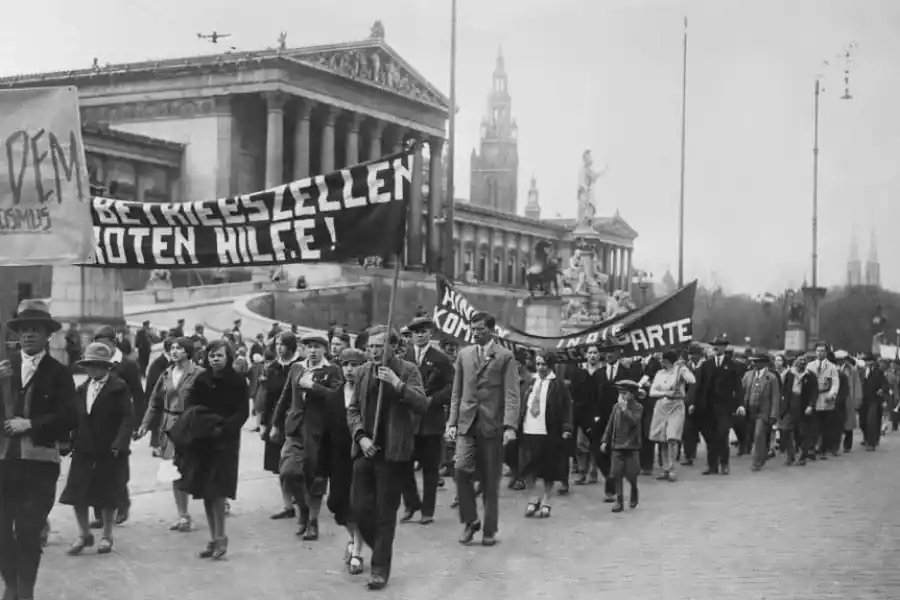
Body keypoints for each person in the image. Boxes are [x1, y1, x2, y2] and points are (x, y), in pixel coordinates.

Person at [0, 300, 77, 600]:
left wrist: (30, 424)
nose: (29, 334)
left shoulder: (59, 373)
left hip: (40, 465)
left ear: (47, 335)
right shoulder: (5, 368)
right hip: (5, 463)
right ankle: (11, 583)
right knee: (1, 531)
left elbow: (69, 417)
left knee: (29, 530)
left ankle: (25, 590)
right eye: (24, 329)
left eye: (36, 329)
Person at [346, 325, 427, 590]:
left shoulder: (408, 370)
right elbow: (353, 410)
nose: (373, 351)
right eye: (370, 346)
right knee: (359, 509)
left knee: (385, 514)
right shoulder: (362, 372)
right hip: (365, 451)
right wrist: (361, 436)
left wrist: (397, 384)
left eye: (379, 346)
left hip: (393, 454)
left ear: (393, 347)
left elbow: (421, 403)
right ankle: (378, 547)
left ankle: (380, 568)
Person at [446, 311, 520, 547]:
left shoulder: (505, 356)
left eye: (480, 329)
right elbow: (456, 392)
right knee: (460, 470)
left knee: (490, 480)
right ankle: (470, 520)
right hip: (467, 423)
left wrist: (510, 426)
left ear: (492, 331)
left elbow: (512, 394)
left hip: (492, 425)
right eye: (473, 329)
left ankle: (489, 530)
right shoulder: (464, 354)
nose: (475, 333)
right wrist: (452, 423)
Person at [171, 340, 249, 559]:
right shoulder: (202, 379)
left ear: (228, 357)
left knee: (217, 491)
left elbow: (242, 413)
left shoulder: (237, 381)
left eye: (219, 355)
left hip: (225, 443)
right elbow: (191, 406)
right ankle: (214, 538)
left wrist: (223, 428)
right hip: (202, 441)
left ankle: (221, 537)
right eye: (212, 355)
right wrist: (203, 424)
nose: (215, 359)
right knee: (206, 492)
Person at [60, 342, 133, 556]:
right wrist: (68, 440)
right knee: (77, 493)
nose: (93, 369)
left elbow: (127, 417)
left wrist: (120, 442)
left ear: (107, 367)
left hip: (108, 449)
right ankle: (84, 534)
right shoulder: (82, 389)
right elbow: (75, 418)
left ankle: (107, 535)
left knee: (107, 495)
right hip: (84, 448)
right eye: (89, 365)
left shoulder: (118, 388)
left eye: (98, 365)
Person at [271, 335, 342, 540]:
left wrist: (313, 386)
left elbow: (337, 398)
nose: (312, 351)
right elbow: (285, 396)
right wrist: (275, 424)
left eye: (317, 347)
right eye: (309, 347)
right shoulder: (297, 368)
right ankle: (302, 508)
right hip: (295, 429)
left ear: (324, 350)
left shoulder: (332, 370)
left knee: (316, 478)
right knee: (288, 472)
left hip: (320, 432)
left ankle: (312, 521)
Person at [136, 337, 201, 531]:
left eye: (179, 348)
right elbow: (154, 402)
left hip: (190, 426)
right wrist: (145, 424)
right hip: (169, 427)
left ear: (188, 351)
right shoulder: (166, 374)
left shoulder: (199, 374)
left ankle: (218, 500)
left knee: (196, 469)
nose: (175, 351)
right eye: (172, 348)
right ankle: (183, 515)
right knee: (174, 472)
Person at [400, 312, 454, 525]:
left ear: (430, 333)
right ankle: (412, 503)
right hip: (409, 421)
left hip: (431, 421)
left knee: (430, 469)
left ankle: (427, 511)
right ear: (411, 335)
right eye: (416, 332)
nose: (420, 335)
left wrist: (434, 399)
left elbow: (452, 386)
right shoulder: (405, 358)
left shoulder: (440, 359)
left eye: (423, 332)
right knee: (403, 464)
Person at [90, 325, 146, 527]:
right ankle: (100, 514)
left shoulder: (127, 365)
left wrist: (138, 423)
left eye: (104, 343)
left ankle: (122, 504)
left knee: (117, 466)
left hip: (122, 422)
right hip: (99, 423)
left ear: (114, 343)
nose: (101, 347)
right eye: (97, 343)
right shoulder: (95, 361)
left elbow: (138, 394)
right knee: (96, 467)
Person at [325, 348, 367, 575]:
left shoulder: (369, 395)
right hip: (339, 459)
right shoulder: (333, 396)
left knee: (357, 506)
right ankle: (352, 538)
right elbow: (326, 432)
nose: (350, 369)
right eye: (346, 365)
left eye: (355, 365)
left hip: (362, 458)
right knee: (336, 504)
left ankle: (357, 551)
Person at [519, 350, 573, 519]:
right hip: (529, 428)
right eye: (538, 364)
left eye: (544, 364)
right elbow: (521, 403)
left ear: (550, 365)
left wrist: (566, 427)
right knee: (527, 467)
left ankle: (546, 500)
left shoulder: (558, 385)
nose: (540, 367)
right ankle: (533, 498)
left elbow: (567, 407)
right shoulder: (530, 382)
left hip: (548, 431)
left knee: (548, 468)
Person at [259, 333, 301, 520]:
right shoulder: (273, 368)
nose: (279, 348)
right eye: (277, 344)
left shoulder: (300, 366)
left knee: (296, 464)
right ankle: (288, 505)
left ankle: (301, 498)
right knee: (279, 465)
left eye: (283, 344)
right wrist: (264, 423)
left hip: (296, 420)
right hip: (276, 421)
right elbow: (267, 398)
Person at [696, 336, 743, 475]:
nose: (716, 348)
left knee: (723, 434)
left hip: (725, 406)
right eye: (715, 345)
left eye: (720, 345)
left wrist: (740, 404)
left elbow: (738, 387)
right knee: (710, 437)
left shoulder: (732, 365)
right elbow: (700, 386)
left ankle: (724, 463)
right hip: (708, 406)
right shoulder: (706, 365)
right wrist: (696, 403)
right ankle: (712, 465)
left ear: (724, 347)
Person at [648, 350, 695, 480]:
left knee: (672, 438)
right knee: (662, 440)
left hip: (676, 406)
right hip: (662, 406)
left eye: (663, 360)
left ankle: (672, 468)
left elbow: (692, 380)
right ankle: (665, 468)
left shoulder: (679, 371)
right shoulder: (659, 373)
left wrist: (683, 368)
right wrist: (665, 393)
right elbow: (652, 392)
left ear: (669, 361)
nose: (661, 363)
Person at [600, 380, 644, 513]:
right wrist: (605, 441)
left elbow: (634, 422)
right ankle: (619, 500)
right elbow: (610, 425)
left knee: (631, 474)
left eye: (625, 393)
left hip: (631, 446)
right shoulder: (616, 407)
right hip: (617, 445)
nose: (622, 396)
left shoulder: (638, 407)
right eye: (620, 393)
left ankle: (634, 489)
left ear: (632, 394)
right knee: (616, 473)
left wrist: (625, 409)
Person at [739, 353, 780, 471]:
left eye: (757, 361)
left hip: (763, 412)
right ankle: (763, 454)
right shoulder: (748, 375)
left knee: (758, 435)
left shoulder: (771, 377)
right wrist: (740, 406)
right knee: (755, 436)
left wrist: (773, 414)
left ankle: (757, 462)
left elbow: (775, 397)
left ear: (764, 363)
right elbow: (741, 391)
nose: (754, 363)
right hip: (749, 410)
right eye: (754, 361)